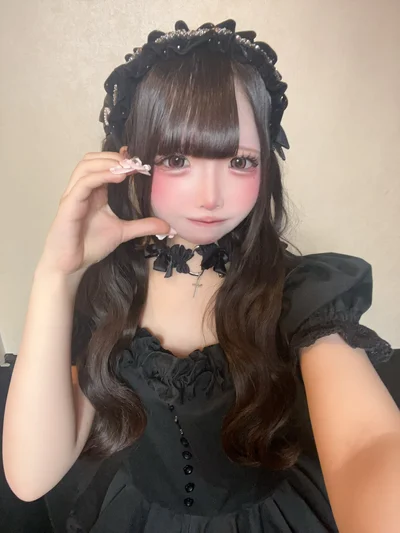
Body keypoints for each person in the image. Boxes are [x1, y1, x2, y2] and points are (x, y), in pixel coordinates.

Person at [2, 19, 395, 533]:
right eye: (177, 158)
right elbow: (30, 477)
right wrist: (57, 274)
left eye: (240, 161)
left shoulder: (301, 292)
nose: (211, 197)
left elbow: (368, 443)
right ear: (131, 161)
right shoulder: (109, 289)